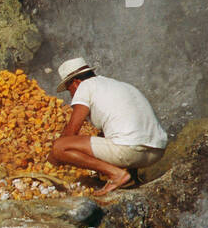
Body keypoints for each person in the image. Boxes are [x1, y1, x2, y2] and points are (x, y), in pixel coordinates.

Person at [49, 57, 168, 195]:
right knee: (111, 135)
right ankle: (132, 178)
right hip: (156, 151)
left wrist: (53, 159)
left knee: (60, 146)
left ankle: (116, 175)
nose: (71, 95)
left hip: (130, 151)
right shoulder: (121, 85)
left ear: (75, 83)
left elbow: (71, 133)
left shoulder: (84, 86)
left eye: (69, 90)